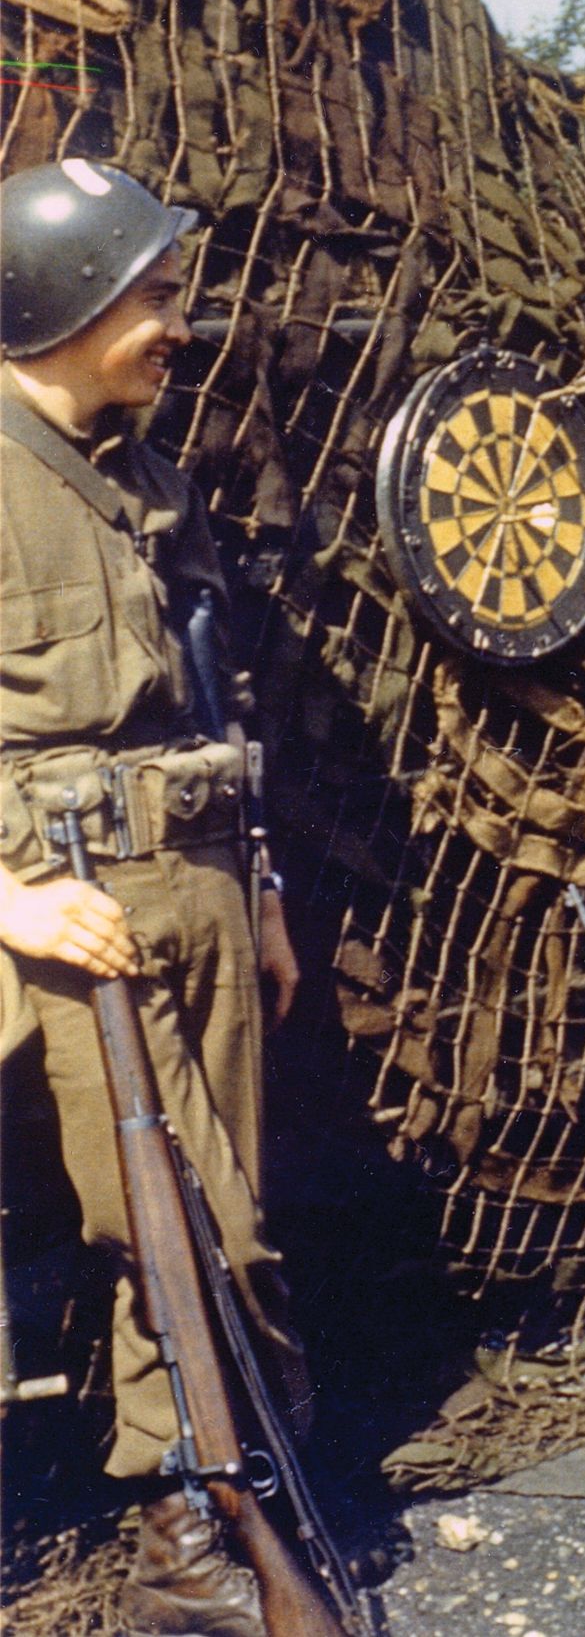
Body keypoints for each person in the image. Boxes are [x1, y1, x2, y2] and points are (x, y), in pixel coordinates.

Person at [0, 159, 304, 1637]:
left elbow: (214, 694)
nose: (181, 325)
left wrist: (265, 897)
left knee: (207, 1219)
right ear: (66, 299)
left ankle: (198, 1532)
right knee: (179, 1225)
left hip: (198, 881)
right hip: (69, 908)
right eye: (156, 297)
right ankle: (204, 1508)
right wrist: (5, 904)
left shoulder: (150, 476)